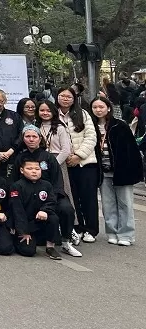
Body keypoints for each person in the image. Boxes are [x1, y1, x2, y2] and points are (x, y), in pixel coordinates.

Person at [14, 125, 82, 258]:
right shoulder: (20, 158)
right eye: (28, 136)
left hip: (50, 195)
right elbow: (14, 181)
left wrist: (50, 202)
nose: (31, 139)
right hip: (28, 195)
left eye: (34, 136)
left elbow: (57, 181)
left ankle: (66, 241)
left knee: (66, 209)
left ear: (40, 138)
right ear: (23, 138)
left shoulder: (49, 158)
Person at [91, 95, 141, 246]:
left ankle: (126, 234)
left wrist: (132, 171)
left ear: (108, 108)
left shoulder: (120, 125)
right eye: (95, 107)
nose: (98, 110)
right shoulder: (90, 126)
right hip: (102, 171)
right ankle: (112, 232)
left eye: (101, 107)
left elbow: (131, 150)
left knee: (125, 203)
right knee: (108, 204)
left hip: (121, 170)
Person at [56, 87, 98, 243]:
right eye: (62, 96)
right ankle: (78, 227)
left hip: (85, 163)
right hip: (64, 165)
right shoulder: (54, 115)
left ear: (74, 99)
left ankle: (91, 229)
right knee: (72, 197)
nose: (66, 99)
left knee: (88, 197)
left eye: (69, 96)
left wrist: (78, 155)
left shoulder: (83, 114)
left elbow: (91, 137)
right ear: (57, 97)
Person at [10, 158, 62, 259]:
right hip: (26, 222)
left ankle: (50, 247)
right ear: (22, 170)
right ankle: (16, 238)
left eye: (37, 169)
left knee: (53, 217)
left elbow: (51, 201)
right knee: (28, 251)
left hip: (40, 220)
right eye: (29, 168)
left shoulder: (47, 185)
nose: (34, 171)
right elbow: (17, 210)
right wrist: (24, 232)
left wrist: (44, 210)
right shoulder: (17, 186)